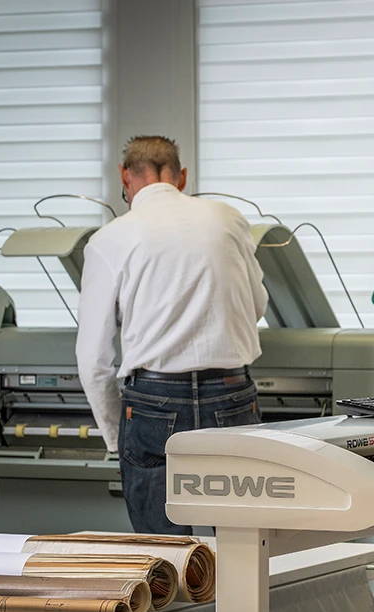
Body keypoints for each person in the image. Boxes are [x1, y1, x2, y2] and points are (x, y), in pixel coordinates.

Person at [77, 135, 269, 534]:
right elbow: (256, 306)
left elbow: (94, 359)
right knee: (242, 544)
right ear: (182, 177)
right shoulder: (228, 219)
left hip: (153, 403)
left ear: (125, 177)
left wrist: (115, 438)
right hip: (230, 393)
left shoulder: (110, 238)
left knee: (162, 549)